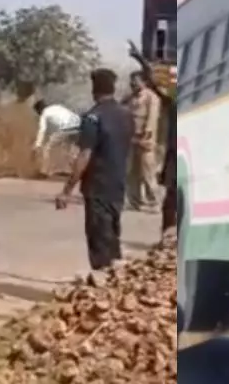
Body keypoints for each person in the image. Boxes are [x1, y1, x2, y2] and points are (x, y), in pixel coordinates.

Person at [54, 68, 133, 271]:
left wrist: (66, 191)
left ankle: (103, 287)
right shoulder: (126, 115)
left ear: (94, 89)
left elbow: (84, 156)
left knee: (99, 241)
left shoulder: (93, 118)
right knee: (112, 237)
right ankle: (116, 287)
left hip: (97, 186)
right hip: (118, 184)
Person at [129, 40, 177, 234]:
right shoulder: (172, 102)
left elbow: (154, 87)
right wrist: (139, 58)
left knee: (149, 173)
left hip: (153, 142)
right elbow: (154, 82)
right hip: (173, 151)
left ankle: (152, 202)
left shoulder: (158, 100)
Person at [124, 71, 161, 212]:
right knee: (131, 172)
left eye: (136, 81)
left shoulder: (152, 98)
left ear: (144, 82)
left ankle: (154, 202)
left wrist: (147, 134)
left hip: (145, 139)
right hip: (131, 138)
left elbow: (152, 118)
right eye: (132, 81)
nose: (133, 84)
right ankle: (134, 201)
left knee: (148, 172)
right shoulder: (130, 98)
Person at [32, 98, 81, 177]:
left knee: (47, 148)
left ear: (39, 110)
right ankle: (72, 170)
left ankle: (44, 172)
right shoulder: (57, 107)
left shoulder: (44, 113)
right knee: (69, 150)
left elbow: (42, 130)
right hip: (79, 126)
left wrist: (38, 145)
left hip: (66, 128)